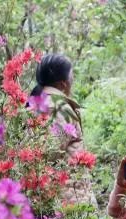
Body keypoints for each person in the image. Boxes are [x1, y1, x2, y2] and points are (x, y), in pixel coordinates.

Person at [29, 54, 96, 207]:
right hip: (67, 200)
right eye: (72, 75)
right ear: (63, 83)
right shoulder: (58, 108)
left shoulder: (39, 102)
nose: (73, 80)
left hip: (52, 196)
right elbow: (48, 151)